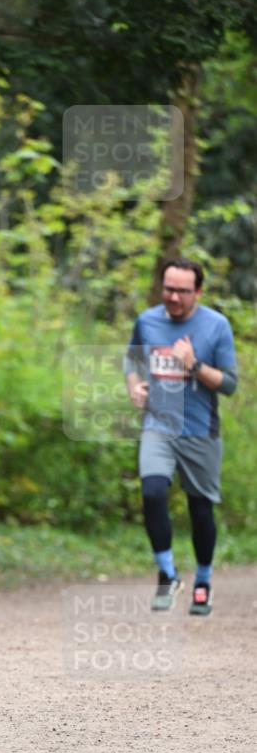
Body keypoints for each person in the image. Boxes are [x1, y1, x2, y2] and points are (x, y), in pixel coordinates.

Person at [124, 257, 238, 615]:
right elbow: (133, 361)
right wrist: (134, 386)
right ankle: (168, 573)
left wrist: (194, 365)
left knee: (199, 508)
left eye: (183, 291)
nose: (173, 297)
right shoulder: (148, 321)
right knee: (153, 491)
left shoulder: (216, 327)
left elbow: (230, 384)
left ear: (198, 292)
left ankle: (202, 580)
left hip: (200, 430)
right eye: (168, 289)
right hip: (158, 425)